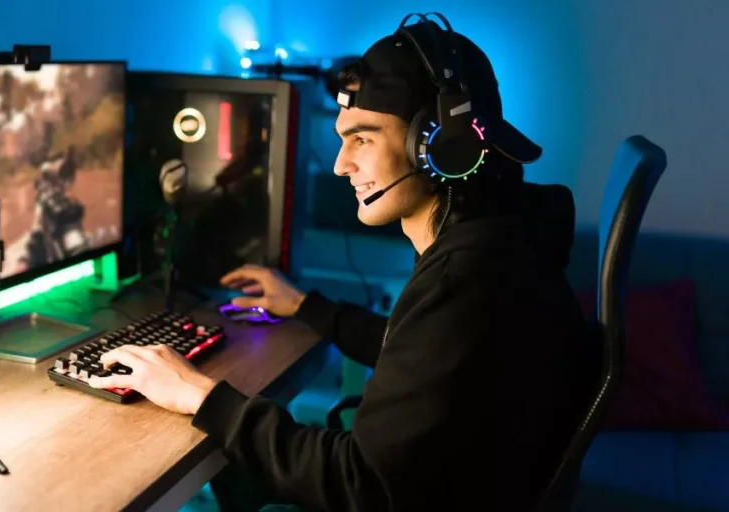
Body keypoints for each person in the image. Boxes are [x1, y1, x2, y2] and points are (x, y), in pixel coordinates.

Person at [88, 12, 600, 511]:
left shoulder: (467, 279)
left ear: (443, 147)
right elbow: (419, 353)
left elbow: (361, 484)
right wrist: (307, 307)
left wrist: (200, 395)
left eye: (362, 138)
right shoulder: (499, 246)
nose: (340, 165)